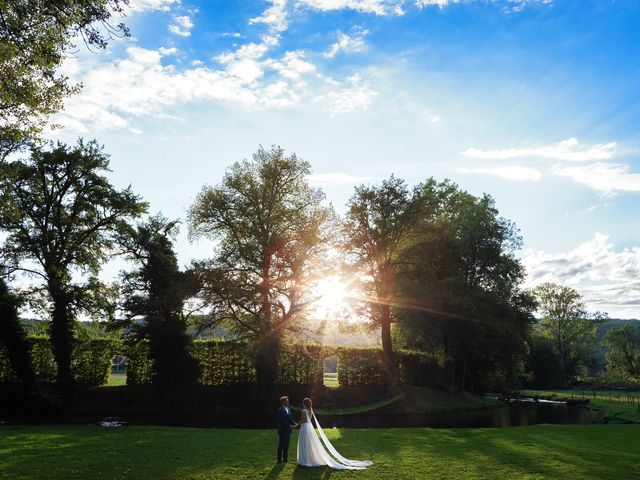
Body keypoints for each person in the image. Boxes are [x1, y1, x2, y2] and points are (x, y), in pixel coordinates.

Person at [297, 397, 372, 470]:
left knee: (305, 443)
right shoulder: (310, 410)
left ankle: (305, 460)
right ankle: (309, 459)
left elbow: (303, 421)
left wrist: (296, 425)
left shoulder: (304, 411)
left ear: (304, 404)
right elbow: (308, 420)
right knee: (309, 444)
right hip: (310, 428)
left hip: (305, 428)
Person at [276, 395, 298, 463]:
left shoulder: (288, 409)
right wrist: (290, 426)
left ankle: (285, 459)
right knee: (281, 445)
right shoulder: (280, 410)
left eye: (288, 401)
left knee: (286, 445)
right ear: (283, 402)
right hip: (282, 430)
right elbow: (282, 421)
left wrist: (296, 424)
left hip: (288, 431)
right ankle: (279, 460)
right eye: (286, 401)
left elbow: (290, 419)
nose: (288, 402)